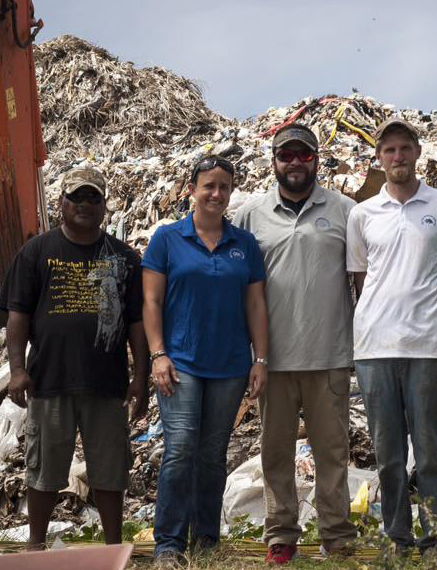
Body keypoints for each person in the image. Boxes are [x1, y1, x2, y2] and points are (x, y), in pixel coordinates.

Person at [1, 166, 149, 550]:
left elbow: (136, 324)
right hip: (50, 381)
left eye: (93, 198)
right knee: (44, 470)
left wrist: (140, 378)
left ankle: (113, 546)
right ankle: (36, 546)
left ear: (104, 206)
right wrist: (17, 370)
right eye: (76, 197)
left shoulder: (124, 257)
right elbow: (17, 316)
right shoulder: (36, 252)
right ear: (61, 203)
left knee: (110, 470)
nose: (84, 204)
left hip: (106, 382)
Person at [233, 123, 358, 564]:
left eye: (303, 155)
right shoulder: (251, 214)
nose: (295, 163)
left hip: (330, 354)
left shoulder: (344, 209)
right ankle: (281, 534)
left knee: (332, 452)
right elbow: (241, 287)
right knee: (276, 451)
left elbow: (360, 280)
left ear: (316, 160)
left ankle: (336, 533)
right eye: (287, 156)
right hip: (274, 358)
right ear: (274, 162)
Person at [346, 117, 437, 553]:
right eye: (389, 150)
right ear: (379, 158)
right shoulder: (362, 214)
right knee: (388, 451)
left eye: (404, 148)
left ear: (418, 152)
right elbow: (360, 277)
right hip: (375, 347)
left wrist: (434, 308)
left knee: (431, 449)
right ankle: (396, 533)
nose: (397, 157)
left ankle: (435, 534)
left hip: (429, 346)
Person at [142, 156, 269, 564]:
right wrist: (157, 354)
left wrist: (260, 358)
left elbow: (255, 304)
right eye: (208, 185)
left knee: (213, 454)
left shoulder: (243, 244)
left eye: (224, 187)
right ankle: (169, 544)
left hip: (230, 365)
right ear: (192, 189)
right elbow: (151, 300)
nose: (216, 194)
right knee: (180, 449)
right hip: (181, 363)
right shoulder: (167, 239)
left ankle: (207, 541)